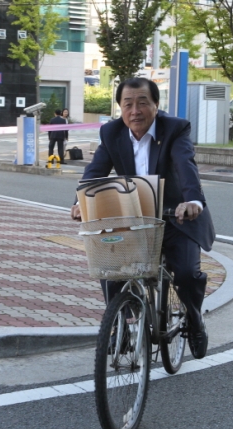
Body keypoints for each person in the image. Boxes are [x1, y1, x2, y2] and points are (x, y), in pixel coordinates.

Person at [70, 77, 215, 359]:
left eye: (142, 103)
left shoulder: (175, 129)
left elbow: (186, 165)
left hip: (177, 216)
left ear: (156, 106)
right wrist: (80, 201)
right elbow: (95, 171)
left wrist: (193, 200)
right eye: (128, 104)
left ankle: (195, 319)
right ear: (120, 109)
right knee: (110, 267)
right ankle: (122, 321)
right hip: (135, 218)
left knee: (185, 273)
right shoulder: (112, 133)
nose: (135, 110)